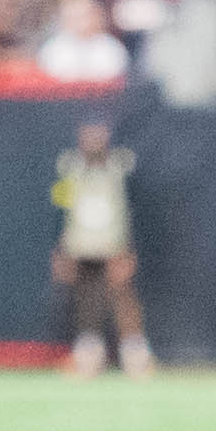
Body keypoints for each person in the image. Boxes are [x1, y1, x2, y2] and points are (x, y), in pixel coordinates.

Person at [52, 116, 151, 377]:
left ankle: (136, 354)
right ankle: (89, 354)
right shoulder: (70, 168)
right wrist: (63, 250)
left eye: (98, 136)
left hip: (112, 242)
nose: (93, 142)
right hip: (81, 244)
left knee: (122, 296)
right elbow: (65, 210)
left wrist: (128, 249)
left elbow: (130, 210)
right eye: (88, 136)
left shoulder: (120, 167)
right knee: (86, 300)